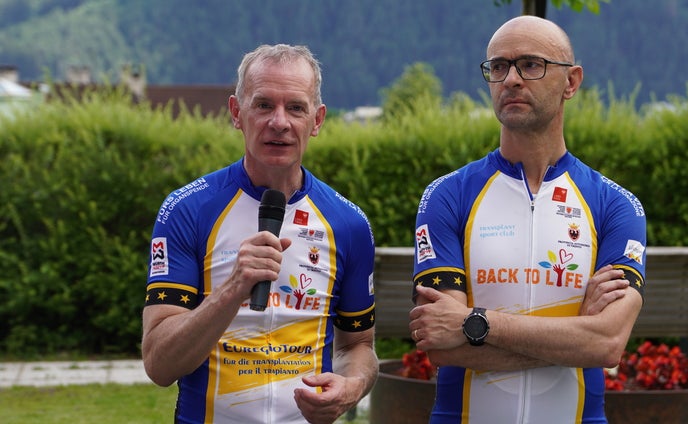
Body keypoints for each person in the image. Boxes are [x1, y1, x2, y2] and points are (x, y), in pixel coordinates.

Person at [408, 16, 647, 423]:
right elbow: (443, 346)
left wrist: (475, 323)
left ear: (571, 82)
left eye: (531, 65)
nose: (511, 80)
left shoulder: (616, 205)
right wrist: (576, 334)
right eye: (499, 67)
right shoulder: (447, 195)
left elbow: (607, 344)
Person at [141, 44, 377, 424]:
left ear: (317, 120)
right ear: (237, 113)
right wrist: (234, 288)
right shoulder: (187, 210)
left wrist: (353, 386)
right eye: (264, 105)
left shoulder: (348, 224)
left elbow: (359, 345)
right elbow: (159, 364)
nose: (279, 122)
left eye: (295, 108)